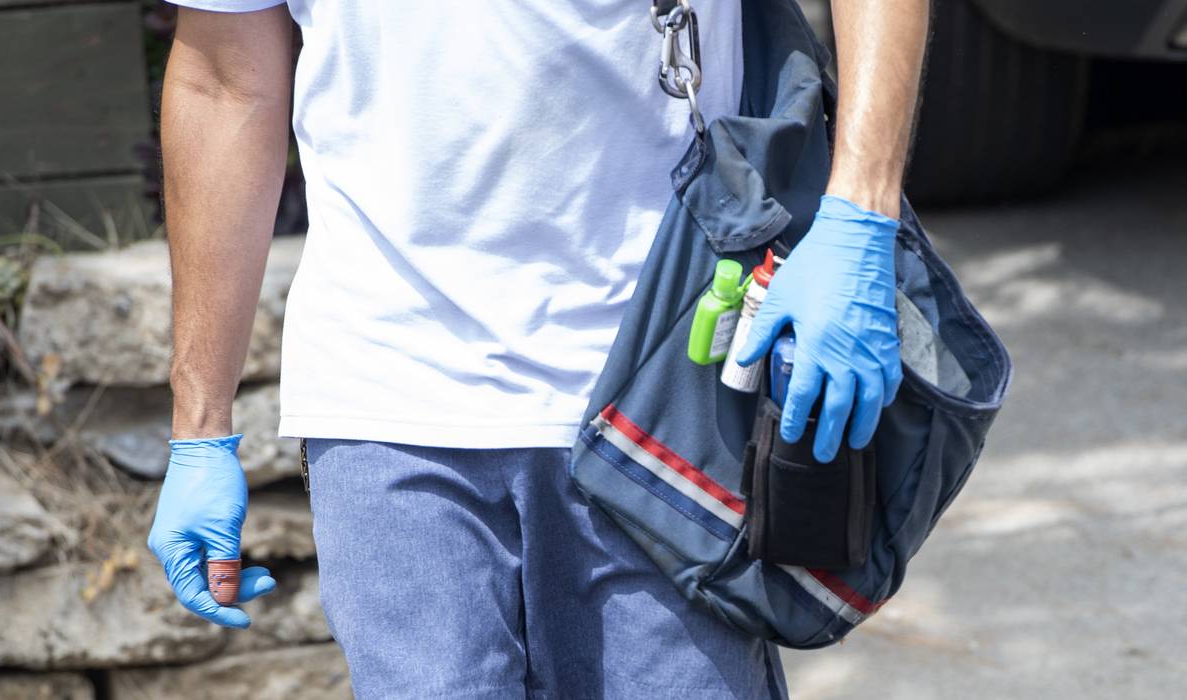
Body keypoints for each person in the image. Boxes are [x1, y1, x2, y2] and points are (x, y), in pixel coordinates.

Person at [146, 0, 929, 697]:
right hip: (387, 392)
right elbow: (224, 81)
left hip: (662, 388)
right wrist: (199, 425)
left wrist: (861, 215)